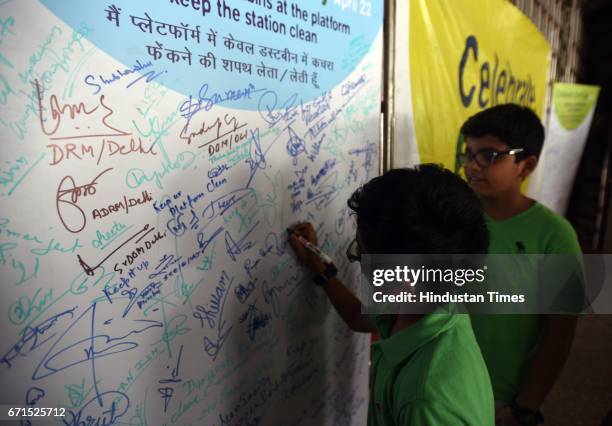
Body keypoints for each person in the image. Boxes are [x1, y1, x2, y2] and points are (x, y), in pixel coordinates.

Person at [288, 165, 494, 425]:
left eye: (360, 252)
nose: (357, 260)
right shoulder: (428, 303)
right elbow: (356, 316)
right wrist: (323, 272)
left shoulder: (427, 402)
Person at [458, 104, 583, 425]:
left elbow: (560, 333)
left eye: (489, 155)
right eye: (468, 153)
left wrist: (524, 407)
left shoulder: (555, 235)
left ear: (526, 165)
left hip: (501, 398)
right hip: (444, 382)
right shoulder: (452, 217)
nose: (472, 165)